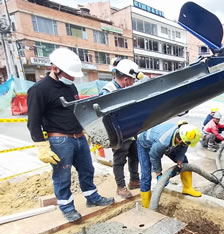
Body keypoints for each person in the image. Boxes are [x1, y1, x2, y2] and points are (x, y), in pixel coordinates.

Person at [27, 48, 114, 223]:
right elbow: (33, 121)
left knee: (87, 169)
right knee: (62, 175)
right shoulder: (39, 90)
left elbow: (75, 111)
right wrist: (42, 146)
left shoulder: (70, 86)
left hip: (78, 137)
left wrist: (86, 130)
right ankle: (67, 207)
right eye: (69, 74)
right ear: (55, 68)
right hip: (60, 139)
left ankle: (92, 197)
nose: (73, 78)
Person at [99, 58, 144, 199]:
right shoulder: (108, 91)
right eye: (132, 79)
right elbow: (104, 116)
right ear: (125, 79)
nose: (133, 82)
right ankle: (121, 187)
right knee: (119, 160)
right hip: (118, 132)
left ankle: (134, 180)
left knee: (134, 156)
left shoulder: (126, 89)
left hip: (131, 130)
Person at [137, 122, 202, 208]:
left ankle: (187, 188)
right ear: (180, 140)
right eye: (184, 144)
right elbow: (154, 156)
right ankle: (147, 205)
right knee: (146, 174)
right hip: (145, 145)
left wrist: (179, 163)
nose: (186, 145)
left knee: (184, 161)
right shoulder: (163, 142)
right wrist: (159, 174)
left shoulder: (185, 137)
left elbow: (182, 151)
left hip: (164, 143)